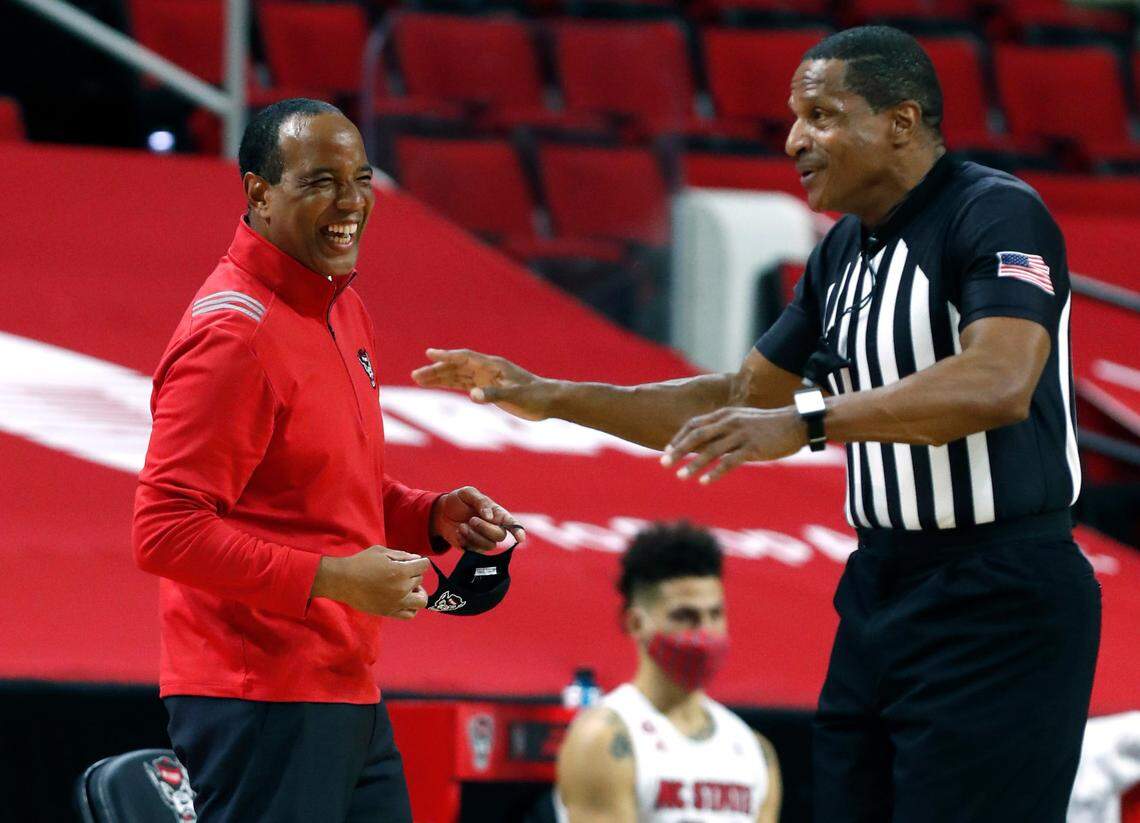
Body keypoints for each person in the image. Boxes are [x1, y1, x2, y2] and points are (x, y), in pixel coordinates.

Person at [414, 26, 1101, 823]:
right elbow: (740, 393)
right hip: (881, 587)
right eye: (792, 116)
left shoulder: (996, 214)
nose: (794, 139)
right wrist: (551, 394)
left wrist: (806, 422)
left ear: (902, 123)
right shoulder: (842, 253)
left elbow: (999, 379)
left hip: (1003, 591)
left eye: (821, 115)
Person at [132, 98, 524, 822]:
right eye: (320, 182)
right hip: (258, 696)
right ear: (259, 192)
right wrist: (336, 577)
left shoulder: (341, 308)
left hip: (343, 685)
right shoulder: (231, 337)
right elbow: (165, 528)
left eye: (362, 179)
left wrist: (430, 515)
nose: (350, 202)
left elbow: (322, 489)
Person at [555, 522, 781, 823]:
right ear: (636, 623)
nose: (705, 632)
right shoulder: (604, 737)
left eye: (715, 615)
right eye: (685, 616)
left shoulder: (754, 751)